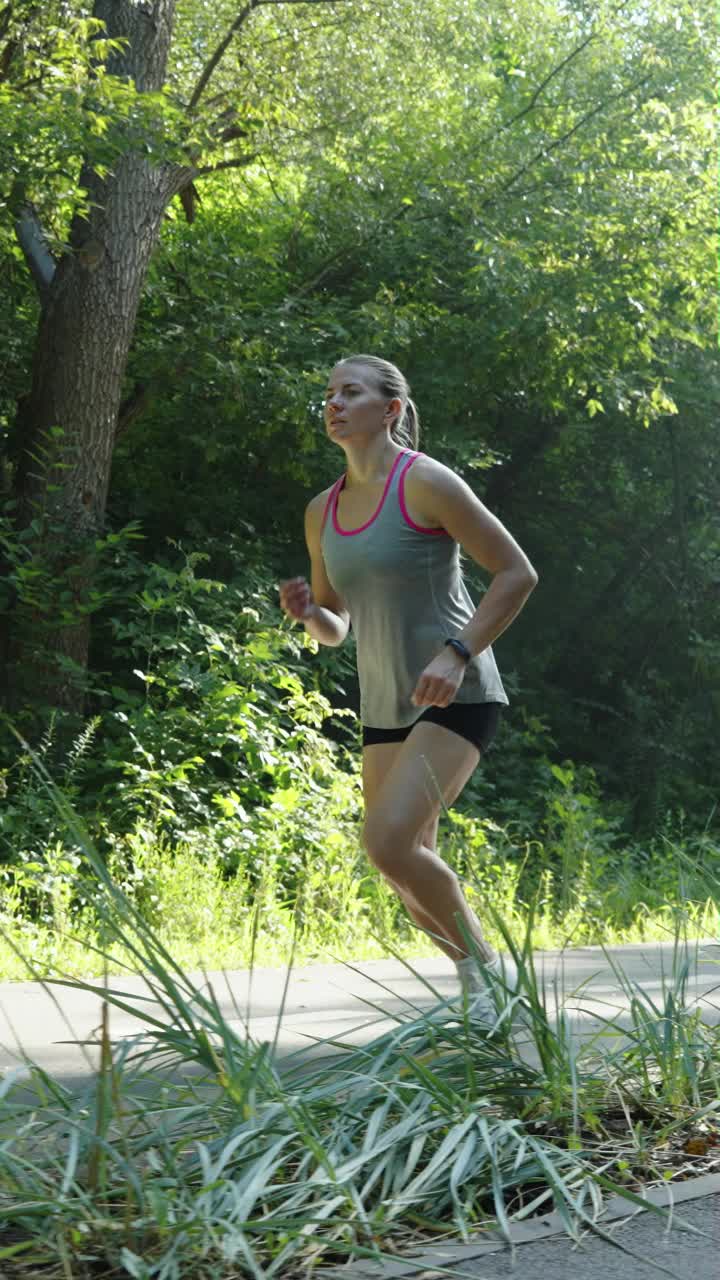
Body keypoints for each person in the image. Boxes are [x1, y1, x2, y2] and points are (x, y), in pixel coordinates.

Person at [279, 354, 538, 1025]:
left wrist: (457, 654)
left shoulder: (425, 484)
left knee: (390, 844)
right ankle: (480, 998)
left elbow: (516, 574)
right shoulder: (321, 511)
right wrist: (310, 613)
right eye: (329, 393)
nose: (334, 403)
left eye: (351, 392)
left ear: (390, 409)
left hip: (458, 692)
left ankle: (489, 983)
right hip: (384, 704)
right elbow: (337, 625)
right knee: (404, 865)